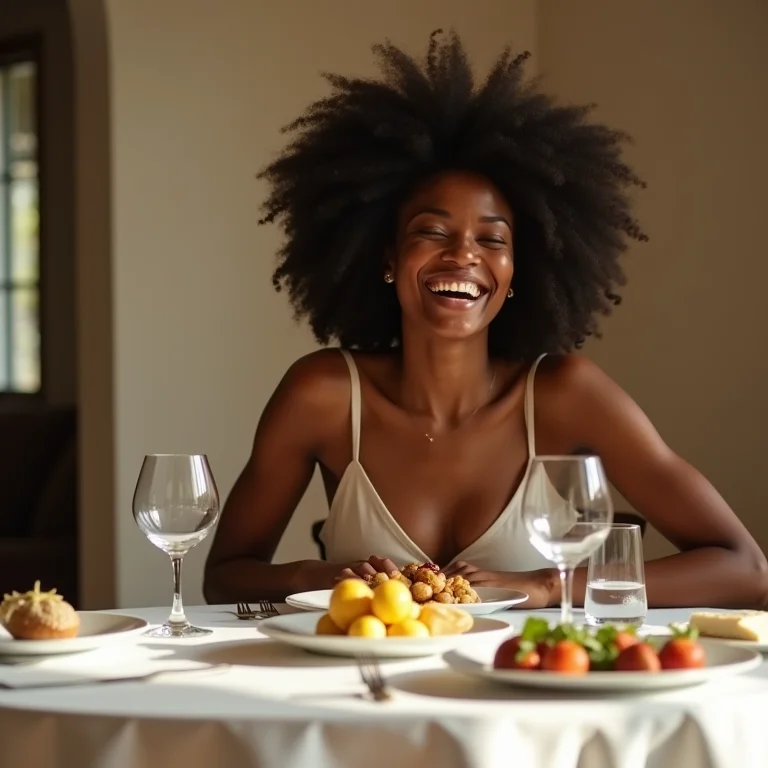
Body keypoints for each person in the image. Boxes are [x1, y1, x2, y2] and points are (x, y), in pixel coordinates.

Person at [203, 31, 768, 609]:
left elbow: (747, 568)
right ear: (388, 260)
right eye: (432, 231)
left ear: (519, 270)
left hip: (533, 689)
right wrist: (324, 577)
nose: (463, 255)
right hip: (367, 692)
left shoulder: (565, 394)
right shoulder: (322, 395)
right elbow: (224, 577)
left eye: (491, 239)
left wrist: (548, 587)